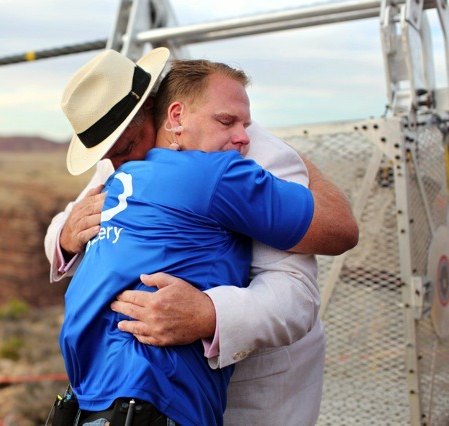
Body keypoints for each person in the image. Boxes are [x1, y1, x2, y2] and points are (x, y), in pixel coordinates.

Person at [47, 51, 359, 425]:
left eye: (125, 149)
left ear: (159, 111)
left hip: (255, 398)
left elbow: (299, 290)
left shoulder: (247, 157)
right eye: (108, 156)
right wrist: (66, 236)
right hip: (130, 393)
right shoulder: (124, 153)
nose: (117, 167)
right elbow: (64, 224)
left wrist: (210, 314)